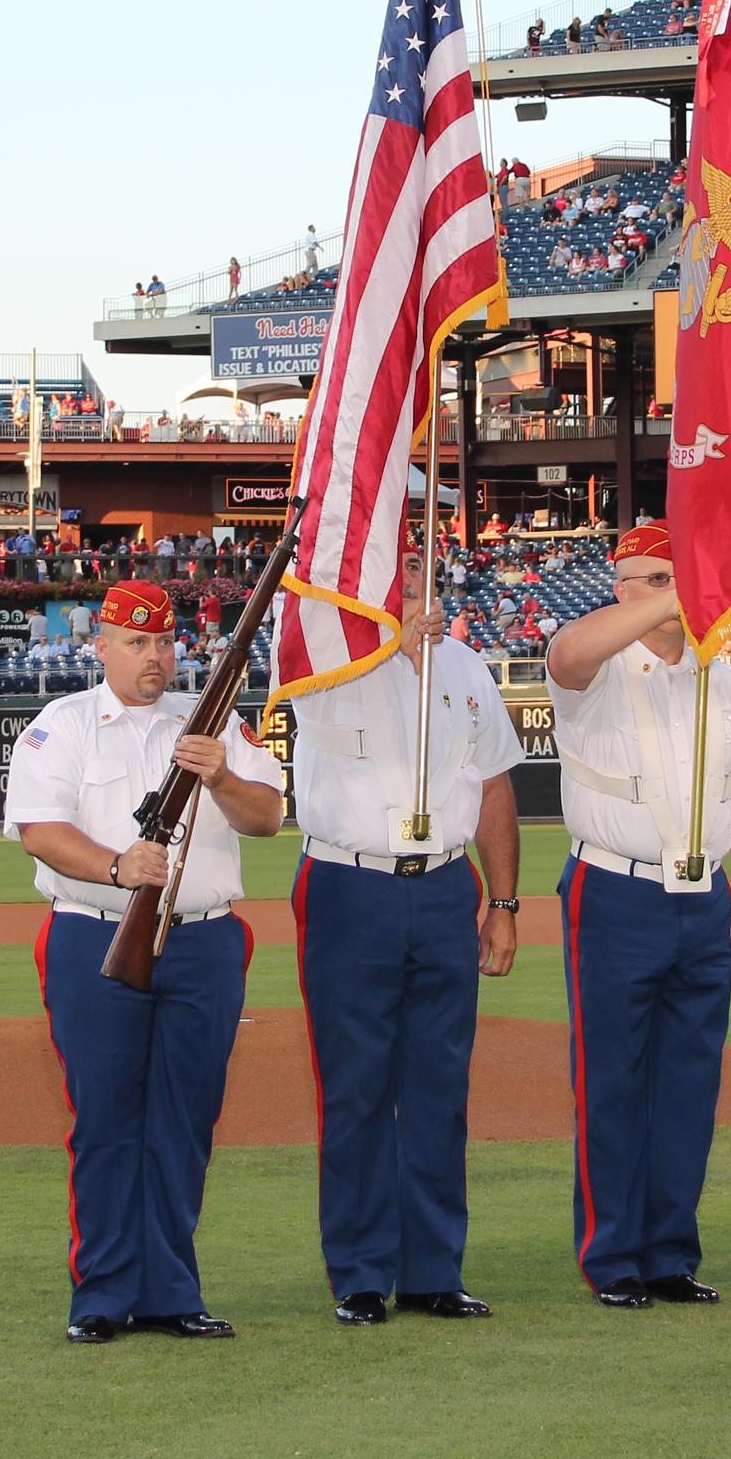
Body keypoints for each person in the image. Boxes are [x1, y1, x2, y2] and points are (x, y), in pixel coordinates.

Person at [4, 580, 288, 1344]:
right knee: (105, 1120)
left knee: (184, 1121)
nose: (154, 656)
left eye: (163, 641)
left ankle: (170, 1290)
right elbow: (38, 830)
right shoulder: (63, 725)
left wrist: (221, 775)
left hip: (204, 941)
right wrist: (116, 867)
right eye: (136, 642)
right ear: (101, 647)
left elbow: (268, 816)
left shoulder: (213, 721)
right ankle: (100, 1294)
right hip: (94, 935)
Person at [541, 523, 731, 1309]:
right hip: (616, 891)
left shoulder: (729, 683)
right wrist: (674, 598)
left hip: (704, 896)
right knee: (611, 1081)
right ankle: (612, 1256)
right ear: (619, 591)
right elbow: (567, 654)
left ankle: (670, 1252)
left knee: (688, 1084)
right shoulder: (601, 670)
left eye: (671, 576)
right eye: (644, 579)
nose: (659, 592)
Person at [286, 544, 525, 1325]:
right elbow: (299, 651)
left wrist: (504, 901)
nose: (410, 580)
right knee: (355, 1085)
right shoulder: (326, 655)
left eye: (419, 568)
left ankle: (432, 1270)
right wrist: (391, 636)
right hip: (350, 885)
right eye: (396, 567)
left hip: (446, 884)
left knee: (439, 1087)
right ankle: (359, 1271)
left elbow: (493, 786)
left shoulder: (466, 667)